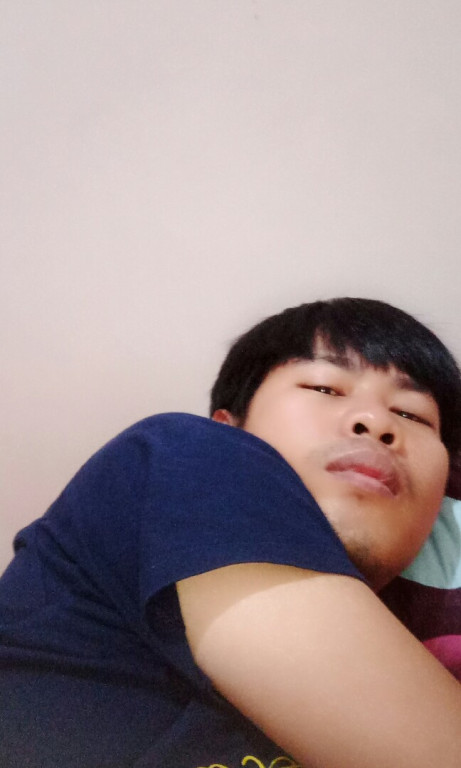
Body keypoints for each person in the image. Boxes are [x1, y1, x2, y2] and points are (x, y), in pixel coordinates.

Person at [1, 297, 461, 768]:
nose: (378, 422)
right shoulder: (188, 454)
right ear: (230, 426)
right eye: (325, 387)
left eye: (412, 415)